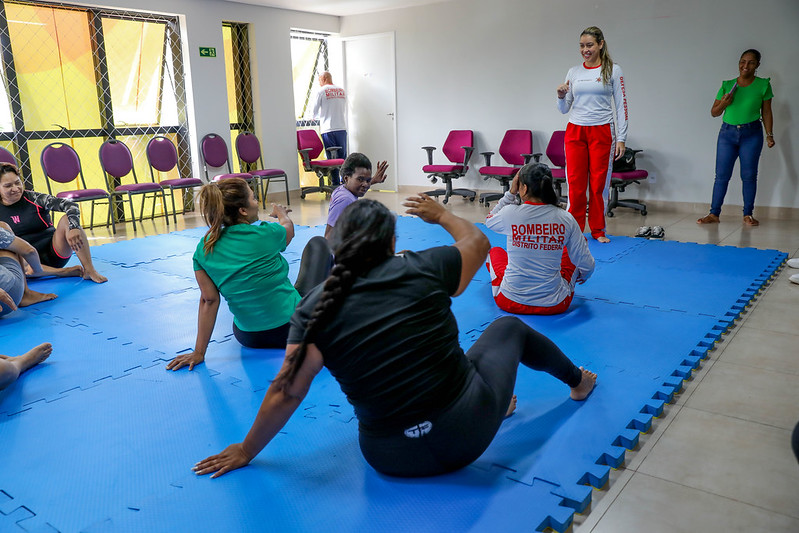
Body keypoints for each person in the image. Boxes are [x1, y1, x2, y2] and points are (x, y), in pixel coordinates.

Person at [193, 197, 597, 479]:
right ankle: (578, 383)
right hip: (468, 432)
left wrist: (246, 449)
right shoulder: (426, 265)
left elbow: (287, 392)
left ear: (336, 249)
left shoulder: (313, 307)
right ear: (392, 242)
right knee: (507, 328)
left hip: (389, 458)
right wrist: (441, 215)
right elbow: (477, 242)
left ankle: (496, 402)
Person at [166, 178, 330, 371]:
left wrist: (199, 352)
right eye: (253, 198)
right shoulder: (265, 233)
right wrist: (282, 214)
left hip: (248, 336)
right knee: (319, 244)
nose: (257, 202)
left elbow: (209, 300)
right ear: (243, 211)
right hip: (294, 329)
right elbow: (289, 231)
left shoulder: (204, 248)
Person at [485, 163, 595, 315]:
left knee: (494, 252)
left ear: (523, 188)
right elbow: (587, 264)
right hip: (555, 304)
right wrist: (584, 275)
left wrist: (510, 193)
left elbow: (489, 220)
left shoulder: (510, 213)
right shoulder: (565, 218)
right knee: (578, 246)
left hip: (509, 301)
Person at [556, 26, 628, 244]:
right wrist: (560, 96)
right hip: (575, 130)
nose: (585, 50)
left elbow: (622, 106)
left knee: (598, 185)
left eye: (589, 45)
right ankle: (574, 230)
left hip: (602, 130)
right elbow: (564, 109)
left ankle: (598, 230)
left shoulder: (613, 70)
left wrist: (622, 138)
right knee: (575, 183)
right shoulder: (573, 72)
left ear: (600, 44)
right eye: (581, 46)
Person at [697, 49, 775, 227]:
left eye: (751, 62)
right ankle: (714, 213)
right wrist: (724, 103)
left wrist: (769, 134)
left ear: (757, 65)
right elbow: (714, 113)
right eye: (742, 61)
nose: (745, 66)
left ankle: (748, 214)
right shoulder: (728, 85)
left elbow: (767, 112)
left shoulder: (763, 85)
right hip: (727, 134)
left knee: (749, 175)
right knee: (721, 176)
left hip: (752, 134)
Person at [0, 163, 107, 283]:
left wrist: (74, 227)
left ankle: (89, 270)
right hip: (24, 262)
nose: (15, 189)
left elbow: (70, 205)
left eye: (17, 183)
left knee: (67, 220)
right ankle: (61, 272)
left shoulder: (34, 198)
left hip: (54, 252)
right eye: (8, 186)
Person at [0, 223, 84, 317]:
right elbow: (29, 251)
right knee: (5, 229)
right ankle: (26, 294)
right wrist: (38, 270)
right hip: (8, 299)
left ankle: (58, 272)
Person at [325, 153, 388, 240]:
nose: (365, 184)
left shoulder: (343, 189)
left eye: (368, 180)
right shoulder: (345, 200)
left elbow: (361, 184)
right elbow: (328, 236)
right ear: (346, 178)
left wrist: (373, 180)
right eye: (360, 179)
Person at [312, 71, 347, 185]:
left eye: (319, 80)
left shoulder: (321, 91)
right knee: (342, 158)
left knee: (331, 159)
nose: (319, 83)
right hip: (341, 128)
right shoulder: (341, 90)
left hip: (328, 129)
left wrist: (314, 117)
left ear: (324, 79)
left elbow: (314, 111)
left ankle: (335, 184)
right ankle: (345, 182)